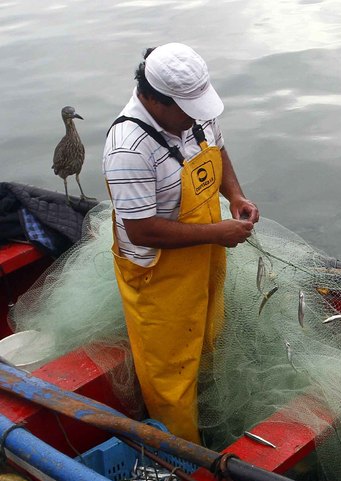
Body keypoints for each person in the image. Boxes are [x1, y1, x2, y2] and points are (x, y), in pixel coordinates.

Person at [103, 43, 259, 444]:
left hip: (204, 258)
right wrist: (218, 234)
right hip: (159, 279)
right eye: (188, 108)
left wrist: (236, 197)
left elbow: (218, 151)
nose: (197, 116)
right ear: (154, 99)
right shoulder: (129, 147)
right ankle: (184, 456)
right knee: (170, 376)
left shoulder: (197, 119)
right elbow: (142, 231)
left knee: (208, 341)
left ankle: (206, 409)